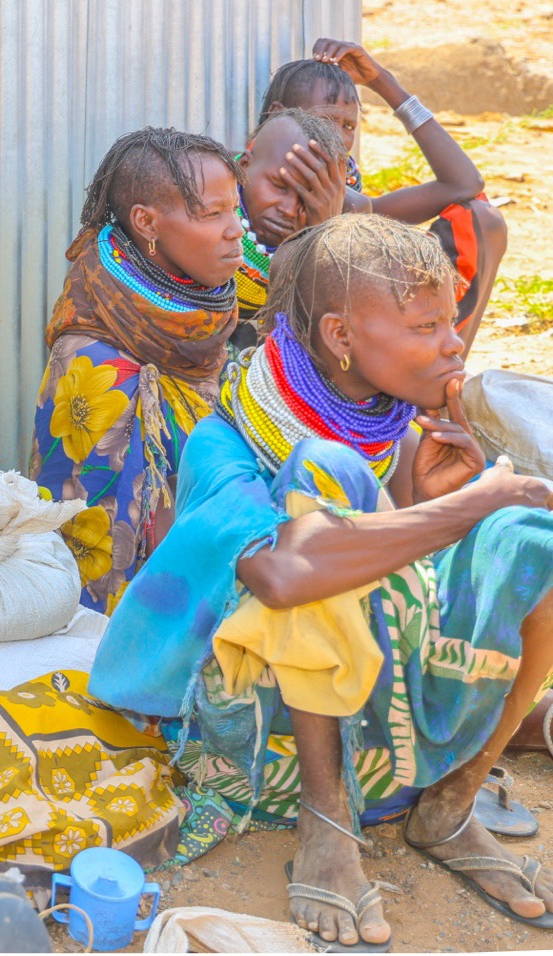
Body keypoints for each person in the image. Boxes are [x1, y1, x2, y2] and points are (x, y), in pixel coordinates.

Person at [89, 215, 553, 949]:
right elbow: (284, 573)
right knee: (324, 484)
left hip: (383, 736)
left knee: (535, 540)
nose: (454, 342)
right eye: (427, 325)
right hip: (253, 743)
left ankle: (449, 806)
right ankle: (325, 822)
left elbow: (399, 588)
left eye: (449, 320)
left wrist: (435, 504)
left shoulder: (392, 431)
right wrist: (474, 501)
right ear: (341, 338)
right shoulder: (226, 443)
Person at [30, 127, 243, 614]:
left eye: (236, 208)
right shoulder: (95, 363)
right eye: (213, 214)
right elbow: (111, 537)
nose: (237, 230)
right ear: (147, 223)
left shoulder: (200, 311)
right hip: (136, 616)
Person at [261, 40, 507, 353]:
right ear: (278, 116)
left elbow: (465, 184)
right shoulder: (240, 186)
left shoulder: (352, 201)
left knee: (483, 221)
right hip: (283, 357)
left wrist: (382, 82)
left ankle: (437, 379)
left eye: (348, 125)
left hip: (368, 346)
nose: (339, 137)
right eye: (326, 120)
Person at [232, 109, 350, 348]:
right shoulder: (202, 201)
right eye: (279, 185)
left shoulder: (345, 222)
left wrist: (323, 231)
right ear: (244, 166)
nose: (288, 209)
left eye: (308, 199)